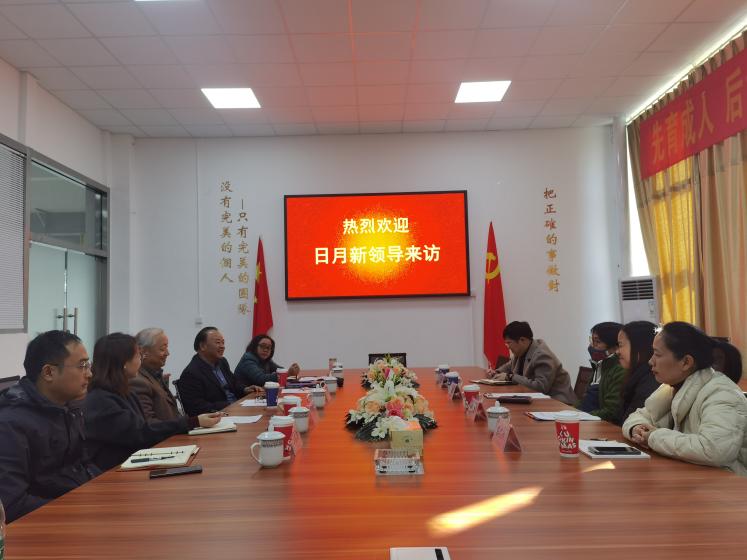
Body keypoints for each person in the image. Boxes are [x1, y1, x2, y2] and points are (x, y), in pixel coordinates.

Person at [623, 322, 747, 476]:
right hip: (694, 478)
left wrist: (653, 437)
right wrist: (637, 428)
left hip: (729, 484)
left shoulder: (722, 394)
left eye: (657, 354)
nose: (650, 361)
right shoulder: (671, 387)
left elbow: (714, 450)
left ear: (686, 362)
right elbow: (638, 416)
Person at [0, 331, 100, 523]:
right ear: (48, 373)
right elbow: (11, 505)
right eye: (82, 366)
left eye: (88, 365)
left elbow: (82, 466)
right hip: (47, 525)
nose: (89, 374)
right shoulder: (10, 425)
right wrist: (78, 510)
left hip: (75, 509)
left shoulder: (66, 408)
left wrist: (107, 491)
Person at [84, 333, 220, 471]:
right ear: (124, 362)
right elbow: (140, 433)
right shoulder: (101, 400)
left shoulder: (125, 391)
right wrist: (192, 422)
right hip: (115, 473)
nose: (141, 359)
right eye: (137, 355)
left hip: (134, 464)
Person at [489, 321, 576, 405]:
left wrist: (510, 377)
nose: (507, 347)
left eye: (509, 343)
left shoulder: (542, 355)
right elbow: (509, 365)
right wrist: (496, 372)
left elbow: (540, 387)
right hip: (536, 400)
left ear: (522, 340)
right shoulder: (521, 351)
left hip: (558, 403)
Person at [178, 327, 255, 416]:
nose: (222, 346)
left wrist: (245, 389)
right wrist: (230, 405)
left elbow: (234, 382)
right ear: (202, 346)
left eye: (223, 342)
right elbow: (196, 407)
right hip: (220, 416)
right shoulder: (191, 373)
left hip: (236, 408)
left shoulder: (222, 362)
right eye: (218, 342)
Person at [578, 322, 625, 423]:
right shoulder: (600, 365)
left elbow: (611, 412)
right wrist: (572, 412)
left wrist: (581, 416)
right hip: (587, 420)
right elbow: (585, 400)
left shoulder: (619, 370)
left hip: (600, 424)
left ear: (615, 347)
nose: (592, 346)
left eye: (597, 342)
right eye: (592, 341)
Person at [130, 328, 180, 423]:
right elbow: (149, 423)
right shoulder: (138, 381)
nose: (167, 353)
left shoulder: (154, 375)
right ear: (143, 351)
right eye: (162, 349)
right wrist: (190, 423)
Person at [616, 321, 660, 425]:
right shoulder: (638, 375)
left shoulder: (651, 381)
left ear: (640, 347)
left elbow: (630, 422)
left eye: (620, 345)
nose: (617, 351)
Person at [235, 334, 301, 387]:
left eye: (268, 348)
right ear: (254, 346)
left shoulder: (266, 360)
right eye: (262, 346)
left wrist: (291, 371)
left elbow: (279, 370)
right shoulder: (248, 359)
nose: (265, 350)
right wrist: (287, 374)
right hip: (244, 397)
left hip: (257, 393)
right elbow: (261, 379)